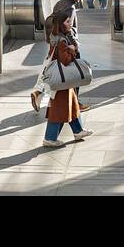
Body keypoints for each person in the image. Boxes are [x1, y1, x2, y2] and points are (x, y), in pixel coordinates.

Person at [41, 13, 93, 149]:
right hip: (61, 80)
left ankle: (78, 131)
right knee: (58, 109)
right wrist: (72, 50)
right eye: (68, 21)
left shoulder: (59, 37)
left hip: (64, 80)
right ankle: (49, 138)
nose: (70, 23)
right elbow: (65, 60)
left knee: (72, 104)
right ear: (61, 24)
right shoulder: (61, 40)